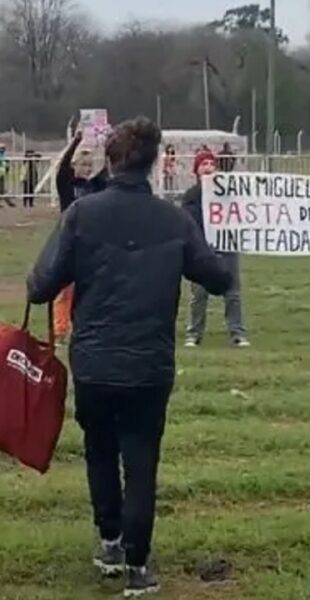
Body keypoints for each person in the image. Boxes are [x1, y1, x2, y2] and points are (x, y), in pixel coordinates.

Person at [26, 116, 232, 596]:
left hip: (95, 361)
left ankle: (111, 542)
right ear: (155, 163)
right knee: (141, 462)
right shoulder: (175, 219)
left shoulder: (82, 215)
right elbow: (218, 280)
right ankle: (139, 567)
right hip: (149, 365)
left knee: (100, 451)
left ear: (111, 162)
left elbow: (40, 288)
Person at [182, 150, 251, 348]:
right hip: (201, 251)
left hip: (227, 247)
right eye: (203, 164)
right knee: (199, 294)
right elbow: (190, 221)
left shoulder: (228, 194)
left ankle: (237, 333)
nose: (208, 167)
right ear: (196, 170)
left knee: (232, 292)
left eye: (211, 163)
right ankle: (194, 334)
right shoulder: (191, 196)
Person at [53, 131, 110, 344]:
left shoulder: (95, 187)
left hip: (91, 242)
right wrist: (75, 142)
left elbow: (106, 171)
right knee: (65, 290)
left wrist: (104, 145)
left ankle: (84, 327)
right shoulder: (67, 186)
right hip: (68, 241)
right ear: (75, 165)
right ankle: (60, 330)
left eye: (88, 166)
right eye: (82, 165)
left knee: (88, 289)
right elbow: (62, 168)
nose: (85, 169)